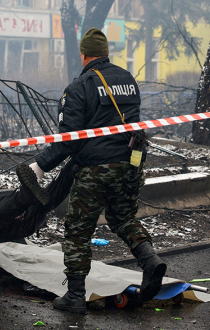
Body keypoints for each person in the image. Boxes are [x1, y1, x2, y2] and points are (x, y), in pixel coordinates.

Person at [16, 27, 165, 313]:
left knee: (77, 231)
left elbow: (68, 139)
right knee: (122, 218)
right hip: (130, 165)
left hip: (95, 170)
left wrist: (39, 165)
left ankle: (74, 295)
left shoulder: (79, 86)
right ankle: (150, 260)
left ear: (84, 55)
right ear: (106, 53)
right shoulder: (127, 80)